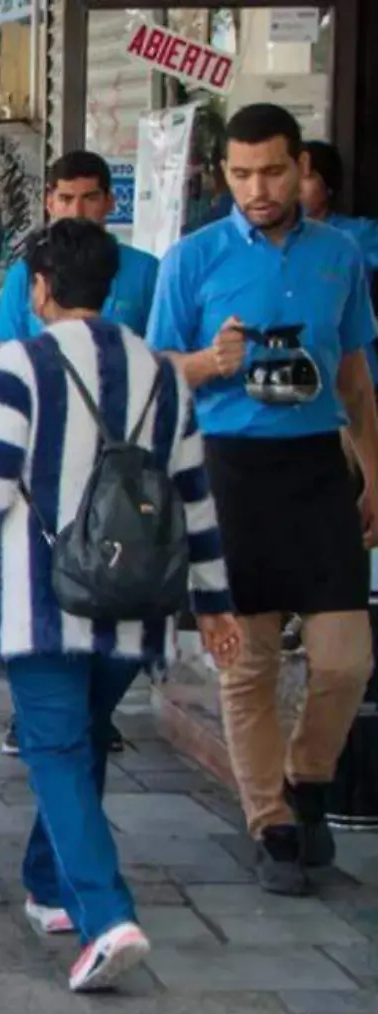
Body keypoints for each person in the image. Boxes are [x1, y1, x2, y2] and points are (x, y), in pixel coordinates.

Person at [0, 220, 241, 992]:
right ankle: (51, 888)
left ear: (40, 286)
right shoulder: (162, 373)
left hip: (42, 605)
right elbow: (194, 501)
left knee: (58, 751)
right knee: (82, 739)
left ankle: (109, 917)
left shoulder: (20, 367)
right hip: (134, 605)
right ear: (108, 285)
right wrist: (213, 602)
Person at [147, 103, 378, 897]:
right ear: (223, 175)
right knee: (245, 668)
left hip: (317, 467)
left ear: (301, 166)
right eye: (241, 174)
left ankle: (309, 780)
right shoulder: (194, 258)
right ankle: (272, 824)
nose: (258, 188)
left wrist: (374, 471)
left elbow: (353, 376)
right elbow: (155, 372)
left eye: (273, 171)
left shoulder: (339, 256)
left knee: (347, 659)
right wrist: (211, 361)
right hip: (230, 470)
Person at [0, 150, 162, 757]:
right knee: (47, 591)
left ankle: (91, 711)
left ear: (110, 203)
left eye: (89, 197)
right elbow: (9, 357)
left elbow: (162, 361)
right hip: (51, 459)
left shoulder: (145, 272)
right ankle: (41, 715)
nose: (77, 209)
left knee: (131, 592)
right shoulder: (25, 275)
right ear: (48, 202)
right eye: (64, 198)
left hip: (125, 465)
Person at [300, 140, 378, 274]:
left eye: (307, 177)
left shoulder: (358, 234)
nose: (296, 186)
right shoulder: (267, 235)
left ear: (329, 185)